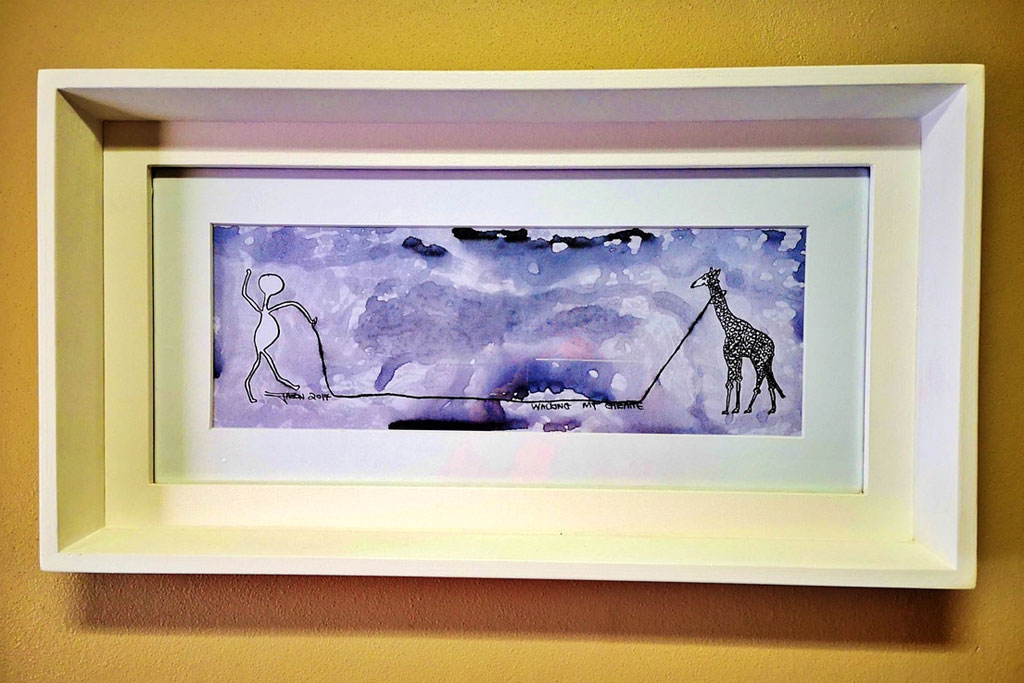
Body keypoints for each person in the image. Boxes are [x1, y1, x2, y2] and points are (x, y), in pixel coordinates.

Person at [241, 269, 317, 403]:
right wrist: (247, 276)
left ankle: (292, 386)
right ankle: (252, 395)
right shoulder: (264, 310)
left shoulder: (267, 309)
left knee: (268, 369)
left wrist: (310, 320)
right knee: (264, 368)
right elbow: (245, 295)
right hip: (262, 341)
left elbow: (293, 304)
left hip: (265, 340)